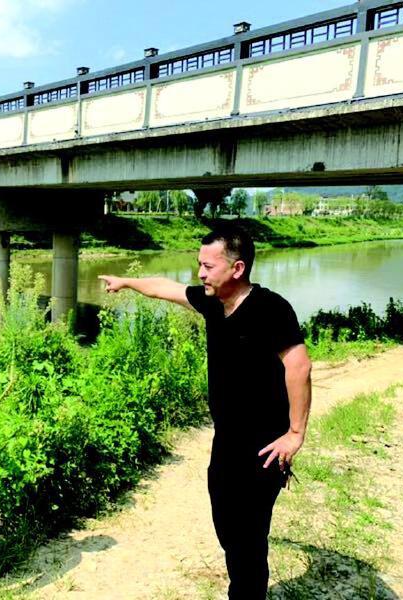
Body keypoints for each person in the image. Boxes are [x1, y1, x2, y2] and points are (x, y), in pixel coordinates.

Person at [99, 224, 312, 599]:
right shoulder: (214, 303)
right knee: (227, 522)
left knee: (248, 537)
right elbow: (164, 287)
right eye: (199, 264)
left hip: (264, 447)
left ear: (237, 268)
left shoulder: (270, 308)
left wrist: (295, 434)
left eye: (208, 266)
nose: (200, 273)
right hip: (227, 440)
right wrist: (127, 282)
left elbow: (299, 366)